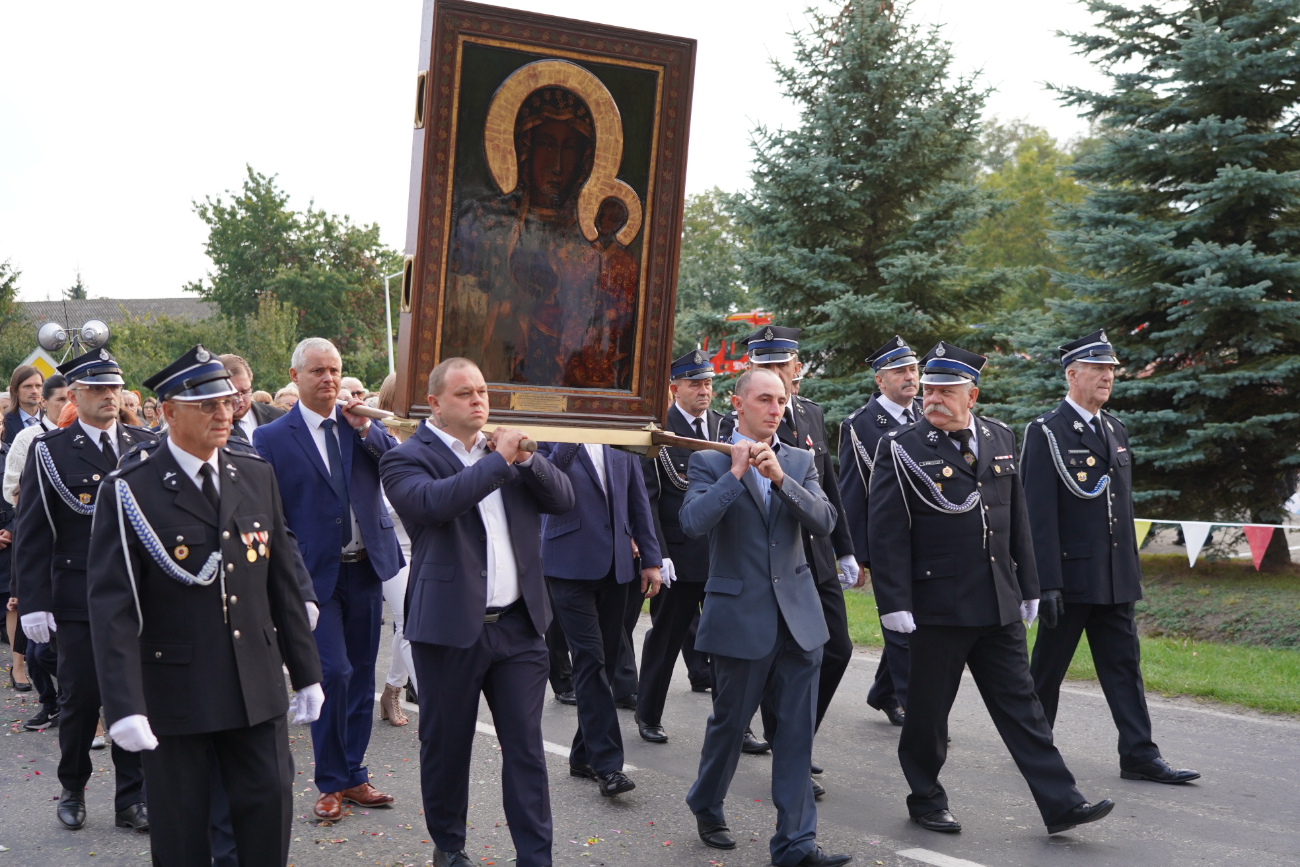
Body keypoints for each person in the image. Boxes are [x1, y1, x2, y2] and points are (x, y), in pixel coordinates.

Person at [86, 344, 323, 866]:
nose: (224, 413)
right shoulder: (131, 489)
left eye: (227, 402)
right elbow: (114, 607)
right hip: (177, 689)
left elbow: (281, 581)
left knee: (269, 812)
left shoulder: (253, 473)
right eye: (207, 405)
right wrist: (124, 706)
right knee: (181, 833)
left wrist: (306, 673)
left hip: (254, 683)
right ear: (168, 412)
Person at [867, 341, 1114, 836]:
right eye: (930, 390)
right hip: (937, 605)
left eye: (946, 391)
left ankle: (1061, 803)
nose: (933, 399)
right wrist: (893, 603)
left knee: (1023, 709)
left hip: (998, 600)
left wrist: (1029, 585)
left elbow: (1017, 518)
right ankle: (926, 796)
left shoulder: (1000, 437)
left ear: (972, 394)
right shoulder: (900, 446)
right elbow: (886, 531)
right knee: (928, 715)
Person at [380, 357, 574, 867]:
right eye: (464, 393)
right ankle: (450, 847)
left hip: (518, 626)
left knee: (527, 750)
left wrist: (528, 460)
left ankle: (536, 857)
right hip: (447, 628)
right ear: (436, 403)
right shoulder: (406, 457)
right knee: (446, 747)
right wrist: (499, 462)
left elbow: (563, 499)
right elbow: (434, 505)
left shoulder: (507, 450)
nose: (478, 400)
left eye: (483, 391)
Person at [681, 367, 848, 867]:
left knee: (796, 734)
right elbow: (692, 523)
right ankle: (706, 802)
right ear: (738, 404)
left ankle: (796, 845)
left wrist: (780, 481)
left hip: (799, 617)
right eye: (764, 400)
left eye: (781, 400)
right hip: (740, 615)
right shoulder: (709, 459)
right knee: (730, 725)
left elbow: (825, 520)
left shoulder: (798, 459)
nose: (775, 410)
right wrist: (735, 473)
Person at [1022, 330, 1200, 785]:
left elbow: (1119, 509)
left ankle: (1140, 754)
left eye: (1111, 370)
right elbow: (1037, 514)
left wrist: (1129, 572)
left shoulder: (1115, 429)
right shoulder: (1046, 431)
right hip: (1071, 577)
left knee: (1125, 669)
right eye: (1098, 369)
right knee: (1046, 673)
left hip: (1115, 578)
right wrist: (1045, 581)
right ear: (1072, 374)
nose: (1107, 377)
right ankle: (1033, 748)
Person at [252, 337, 403, 822]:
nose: (330, 380)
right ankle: (331, 780)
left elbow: (395, 465)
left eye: (335, 370)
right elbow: (273, 513)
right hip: (314, 576)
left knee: (361, 674)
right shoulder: (273, 437)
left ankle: (354, 775)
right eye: (318, 371)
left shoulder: (360, 427)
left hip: (365, 567)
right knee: (332, 673)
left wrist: (365, 429)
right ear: (295, 377)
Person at [14, 348, 153, 832]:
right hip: (79, 596)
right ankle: (73, 786)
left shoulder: (145, 443)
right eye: (97, 388)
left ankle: (131, 798)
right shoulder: (51, 450)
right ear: (75, 394)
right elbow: (33, 533)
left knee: (135, 697)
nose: (109, 396)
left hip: (138, 595)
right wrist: (33, 601)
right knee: (80, 699)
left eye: (114, 387)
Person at [719, 326, 857, 785]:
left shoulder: (811, 414)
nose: (778, 377)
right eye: (767, 368)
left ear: (797, 368)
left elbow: (828, 484)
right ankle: (790, 748)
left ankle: (794, 737)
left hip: (812, 554)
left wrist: (846, 550)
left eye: (784, 366)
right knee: (769, 660)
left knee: (837, 648)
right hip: (763, 562)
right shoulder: (731, 426)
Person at [537, 433, 661, 797]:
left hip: (617, 564)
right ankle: (608, 765)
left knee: (604, 663)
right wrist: (571, 436)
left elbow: (637, 498)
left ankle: (581, 755)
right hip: (567, 564)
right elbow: (545, 478)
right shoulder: (549, 436)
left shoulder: (618, 437)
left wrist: (650, 558)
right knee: (589, 660)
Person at [635, 350, 723, 743]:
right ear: (675, 389)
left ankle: (734, 724)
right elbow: (649, 497)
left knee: (727, 641)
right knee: (667, 637)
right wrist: (658, 554)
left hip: (722, 553)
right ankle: (648, 712)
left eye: (707, 383)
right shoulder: (659, 430)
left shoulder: (723, 426)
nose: (704, 390)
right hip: (679, 552)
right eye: (694, 383)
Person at [837, 336, 922, 728]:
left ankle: (883, 691)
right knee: (901, 627)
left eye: (912, 369)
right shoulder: (860, 425)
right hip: (888, 542)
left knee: (918, 621)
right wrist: (857, 555)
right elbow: (855, 493)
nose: (910, 377)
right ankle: (918, 711)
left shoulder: (927, 413)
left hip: (929, 541)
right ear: (880, 380)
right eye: (900, 371)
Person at [374, 373, 417, 725]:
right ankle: (436, 702)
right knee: (409, 621)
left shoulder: (432, 441)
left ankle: (391, 690)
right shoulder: (377, 440)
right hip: (392, 546)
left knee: (411, 624)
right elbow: (381, 505)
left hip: (426, 546)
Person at [220, 354, 286, 445]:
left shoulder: (278, 417)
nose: (240, 399)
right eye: (232, 394)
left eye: (245, 392)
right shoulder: (204, 427)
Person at [3, 364, 44, 443]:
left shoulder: (52, 419)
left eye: (38, 386)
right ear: (14, 390)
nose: (35, 391)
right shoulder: (4, 423)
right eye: (28, 386)